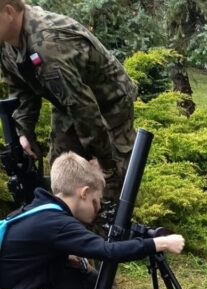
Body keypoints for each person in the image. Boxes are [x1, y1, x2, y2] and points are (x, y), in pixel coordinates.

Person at [0, 152, 184, 289]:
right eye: (96, 201)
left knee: (92, 280)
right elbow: (108, 251)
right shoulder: (58, 222)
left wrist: (66, 259)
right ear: (84, 193)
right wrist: (160, 243)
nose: (97, 209)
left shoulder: (42, 209)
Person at [0, 0, 137, 201]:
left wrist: (103, 160)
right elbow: (21, 88)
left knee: (106, 186)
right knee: (63, 181)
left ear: (9, 12)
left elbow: (83, 107)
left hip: (109, 105)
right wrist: (24, 132)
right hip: (68, 101)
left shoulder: (47, 45)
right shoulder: (7, 41)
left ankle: (102, 215)